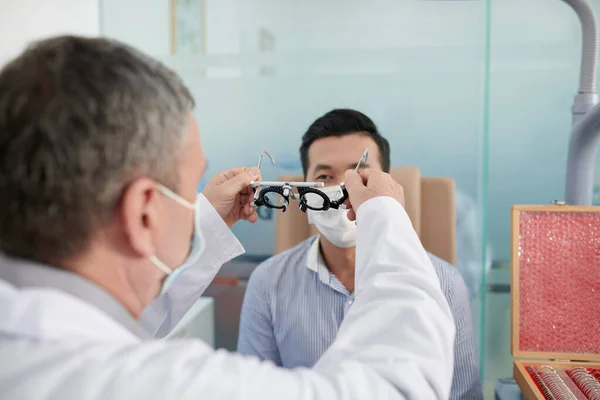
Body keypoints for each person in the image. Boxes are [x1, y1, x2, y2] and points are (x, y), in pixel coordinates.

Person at [0, 35, 455, 399]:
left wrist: (205, 229)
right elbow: (396, 384)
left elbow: (128, 321)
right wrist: (387, 219)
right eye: (188, 189)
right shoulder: (149, 380)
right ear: (143, 214)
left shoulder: (36, 337)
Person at [238, 109, 484, 400]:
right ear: (304, 190)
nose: (342, 192)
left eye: (358, 175)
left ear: (387, 186)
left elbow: (463, 394)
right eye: (324, 176)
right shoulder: (268, 283)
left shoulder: (443, 282)